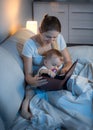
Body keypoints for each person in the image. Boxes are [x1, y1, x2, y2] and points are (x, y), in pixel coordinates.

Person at [20, 14, 72, 120]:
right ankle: (24, 111)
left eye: (54, 37)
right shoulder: (29, 45)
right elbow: (28, 75)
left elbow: (68, 61)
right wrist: (32, 81)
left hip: (57, 76)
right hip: (40, 77)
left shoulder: (59, 38)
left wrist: (65, 70)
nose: (51, 41)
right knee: (29, 91)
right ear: (40, 30)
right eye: (48, 36)